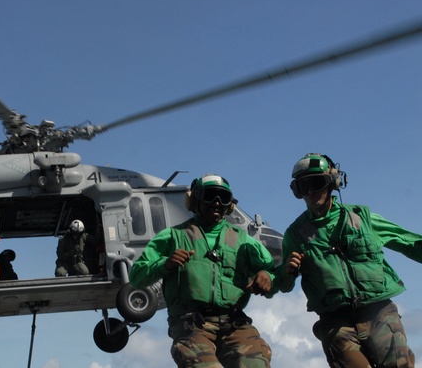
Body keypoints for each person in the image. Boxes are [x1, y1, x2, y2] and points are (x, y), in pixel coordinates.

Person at [272, 153, 422, 368]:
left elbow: (410, 243)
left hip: (378, 312)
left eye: (317, 183)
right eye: (303, 187)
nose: (311, 192)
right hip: (335, 321)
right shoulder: (294, 235)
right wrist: (286, 272)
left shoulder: (363, 219)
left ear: (333, 182)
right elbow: (283, 285)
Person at [129, 174, 275, 368]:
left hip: (233, 322)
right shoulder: (173, 236)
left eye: (222, 197)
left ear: (229, 204)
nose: (216, 203)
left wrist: (267, 276)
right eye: (210, 196)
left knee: (256, 363)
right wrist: (166, 264)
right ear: (194, 200)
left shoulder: (244, 241)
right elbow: (137, 277)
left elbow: (272, 271)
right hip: (191, 324)